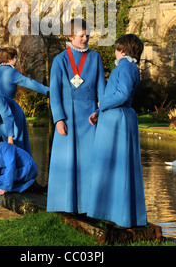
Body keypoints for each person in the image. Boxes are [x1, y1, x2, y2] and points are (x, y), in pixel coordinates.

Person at [87, 34, 147, 228]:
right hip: (116, 117)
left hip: (117, 120)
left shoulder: (126, 66)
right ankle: (115, 213)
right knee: (114, 166)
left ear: (122, 50)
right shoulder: (129, 67)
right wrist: (99, 111)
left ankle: (119, 215)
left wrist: (101, 103)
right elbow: (119, 93)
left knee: (117, 166)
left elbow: (122, 94)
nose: (114, 52)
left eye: (116, 48)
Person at [46, 19, 106, 214]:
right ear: (70, 37)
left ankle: (89, 206)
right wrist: (59, 119)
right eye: (81, 36)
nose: (85, 38)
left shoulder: (96, 57)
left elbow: (101, 90)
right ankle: (63, 205)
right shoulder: (60, 59)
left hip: (90, 117)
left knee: (89, 161)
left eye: (87, 35)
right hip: (67, 117)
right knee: (66, 161)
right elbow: (54, 92)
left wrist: (100, 111)